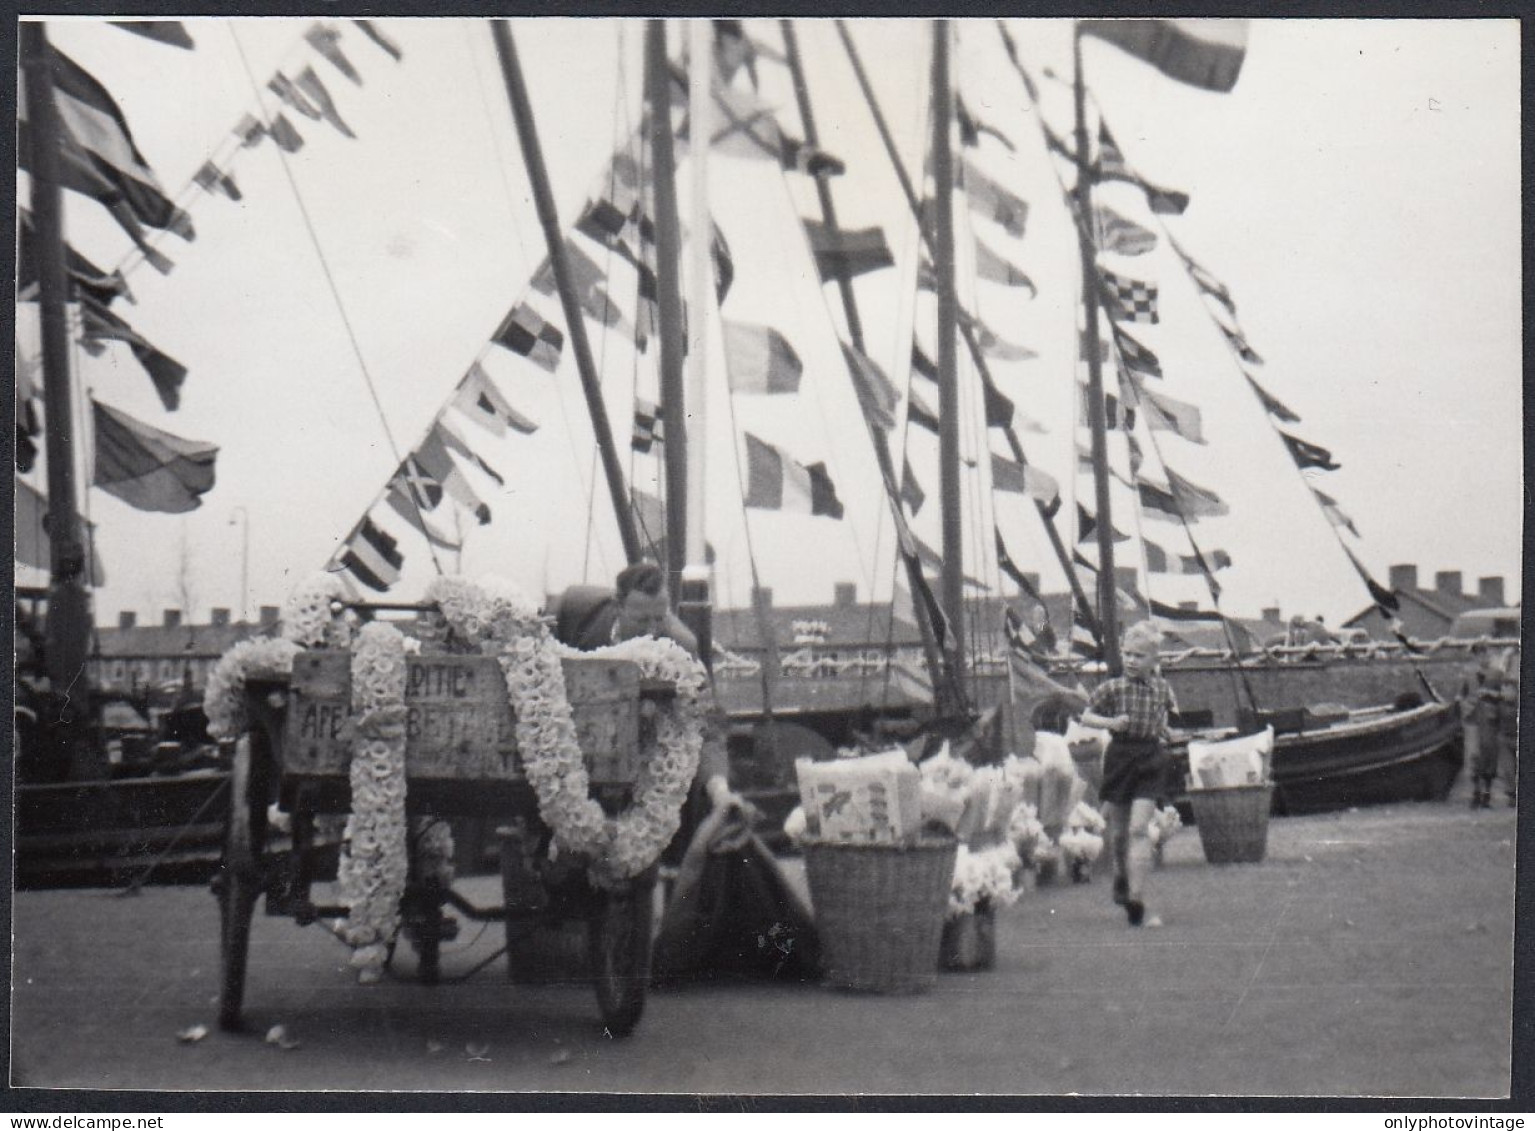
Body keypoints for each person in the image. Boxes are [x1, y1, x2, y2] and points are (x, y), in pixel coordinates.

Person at [552, 561, 818, 981]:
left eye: (662, 617)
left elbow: (707, 722)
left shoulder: (681, 645)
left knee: (684, 806)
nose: (654, 630)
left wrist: (719, 788)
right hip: (584, 737)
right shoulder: (585, 626)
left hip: (654, 746)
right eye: (642, 619)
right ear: (619, 607)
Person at [1079, 620, 1178, 928]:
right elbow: (1085, 716)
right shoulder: (1112, 688)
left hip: (1150, 757)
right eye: (1128, 654)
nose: (1132, 661)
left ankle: (1136, 897)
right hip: (1121, 757)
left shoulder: (1162, 689)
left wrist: (1165, 730)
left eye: (1139, 656)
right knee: (1119, 833)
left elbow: (1162, 718)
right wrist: (1111, 724)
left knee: (1139, 828)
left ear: (1154, 660)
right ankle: (1121, 878)